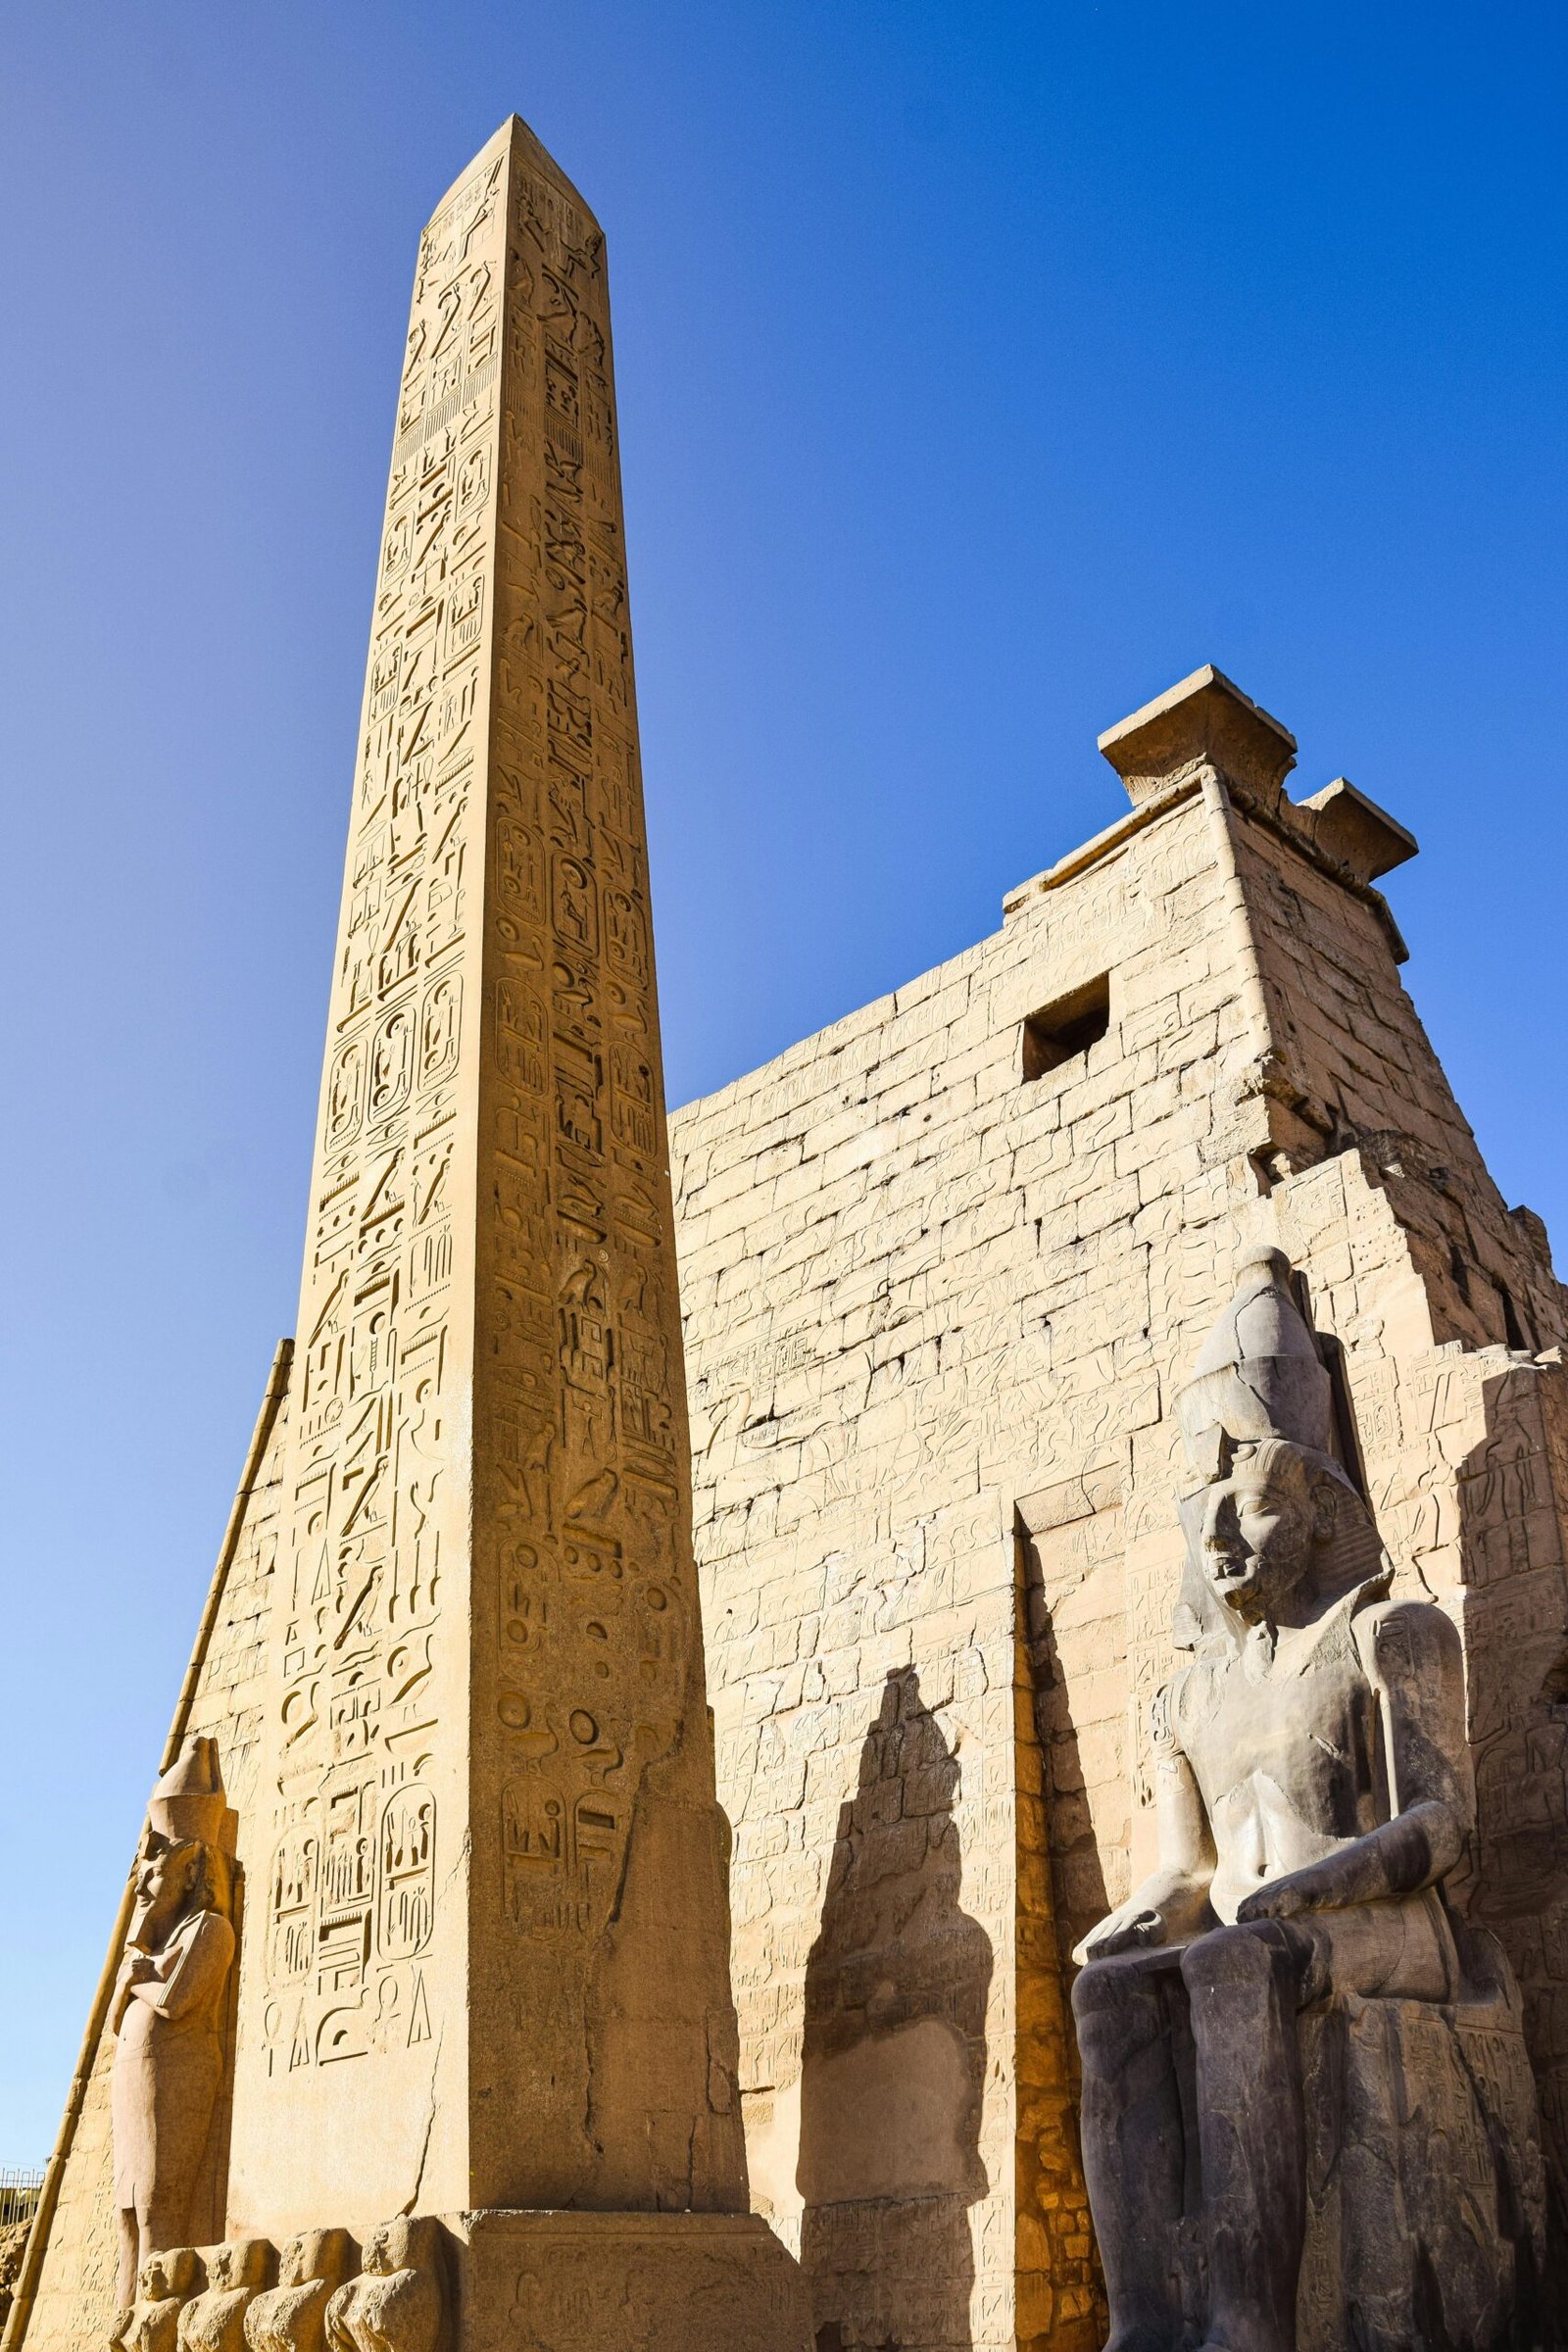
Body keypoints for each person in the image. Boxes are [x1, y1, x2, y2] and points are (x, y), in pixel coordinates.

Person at [1070, 1250, 1472, 2352]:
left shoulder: (1390, 1635)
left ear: (1321, 1512)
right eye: (1204, 1518)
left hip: (1387, 1924)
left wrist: (1309, 1889)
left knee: (1232, 1965)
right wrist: (1131, 1921)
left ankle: (1249, 2323)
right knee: (1108, 1997)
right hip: (1251, 1924)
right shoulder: (1186, 1695)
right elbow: (1186, 1871)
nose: (1218, 1542)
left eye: (1247, 1510)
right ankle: (1144, 2323)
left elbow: (1440, 1826)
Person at [110, 1740, 236, 2305]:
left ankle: (156, 2319)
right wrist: (134, 1974)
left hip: (179, 2071)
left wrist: (137, 1977)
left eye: (154, 1870)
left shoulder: (210, 1930)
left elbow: (176, 2000)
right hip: (133, 2076)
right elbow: (118, 2021)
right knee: (126, 2209)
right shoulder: (160, 1945)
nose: (141, 1886)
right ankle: (124, 2320)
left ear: (190, 1871)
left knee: (160, 2205)